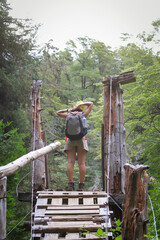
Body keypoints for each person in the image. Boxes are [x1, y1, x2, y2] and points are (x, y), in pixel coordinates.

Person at [56, 101, 93, 191]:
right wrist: (82, 104)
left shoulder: (68, 115)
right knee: (81, 163)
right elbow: (91, 104)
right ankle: (81, 185)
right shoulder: (83, 114)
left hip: (70, 140)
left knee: (70, 162)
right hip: (81, 139)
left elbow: (58, 112)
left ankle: (71, 184)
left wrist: (69, 110)